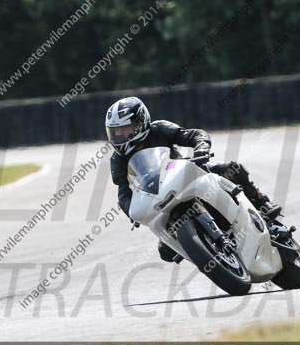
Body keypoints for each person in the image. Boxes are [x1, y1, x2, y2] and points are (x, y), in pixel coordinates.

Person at [105, 96, 283, 262]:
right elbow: (123, 193)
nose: (118, 135)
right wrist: (134, 212)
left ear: (139, 123)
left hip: (186, 175)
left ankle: (261, 202)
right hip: (160, 198)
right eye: (114, 131)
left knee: (232, 169)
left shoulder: (159, 129)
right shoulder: (117, 160)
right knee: (165, 252)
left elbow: (195, 135)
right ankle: (204, 248)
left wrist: (201, 149)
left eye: (123, 129)